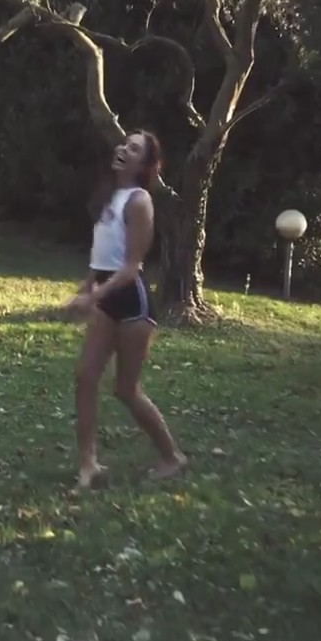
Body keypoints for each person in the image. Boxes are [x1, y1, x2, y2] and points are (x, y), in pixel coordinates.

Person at [66, 130, 187, 488]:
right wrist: (89, 283)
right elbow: (104, 253)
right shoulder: (110, 196)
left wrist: (94, 296)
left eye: (134, 149)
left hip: (132, 303)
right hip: (106, 296)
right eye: (124, 144)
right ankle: (89, 465)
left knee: (125, 389)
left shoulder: (139, 201)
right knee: (85, 376)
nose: (123, 149)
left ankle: (172, 457)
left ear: (143, 164)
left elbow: (132, 266)